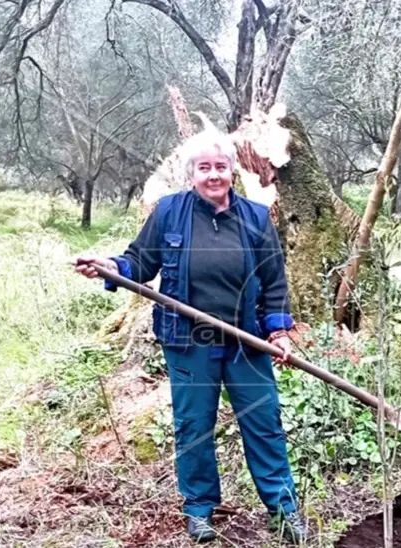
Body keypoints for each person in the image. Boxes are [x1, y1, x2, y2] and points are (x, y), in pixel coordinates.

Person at [73, 126, 308, 543]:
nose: (213, 174)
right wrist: (110, 267)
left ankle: (283, 510)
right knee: (194, 426)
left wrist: (279, 332)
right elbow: (138, 263)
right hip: (189, 342)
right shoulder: (169, 212)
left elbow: (273, 282)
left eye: (220, 166)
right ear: (191, 173)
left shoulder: (255, 218)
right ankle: (199, 510)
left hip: (246, 343)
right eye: (204, 168)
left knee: (264, 423)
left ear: (232, 170)